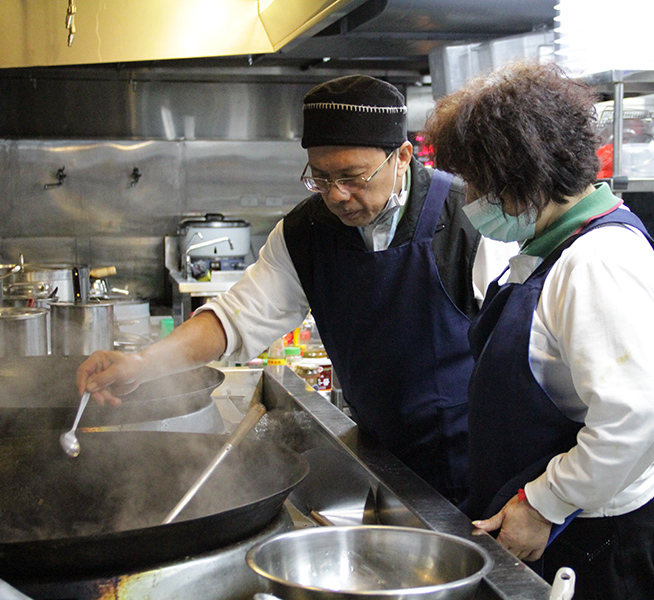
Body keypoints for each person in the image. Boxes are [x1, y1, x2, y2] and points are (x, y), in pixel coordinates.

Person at [76, 75, 515, 504]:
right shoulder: (305, 233)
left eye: (353, 177)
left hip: (477, 466)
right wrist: (143, 364)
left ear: (401, 157)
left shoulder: (470, 220)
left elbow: (520, 363)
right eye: (321, 178)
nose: (337, 195)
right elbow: (236, 317)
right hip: (381, 461)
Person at [422, 61, 654, 599]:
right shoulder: (555, 247)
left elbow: (637, 419)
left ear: (522, 174)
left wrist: (544, 503)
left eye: (477, 183)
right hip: (575, 524)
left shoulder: (597, 261)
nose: (470, 200)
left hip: (605, 537)